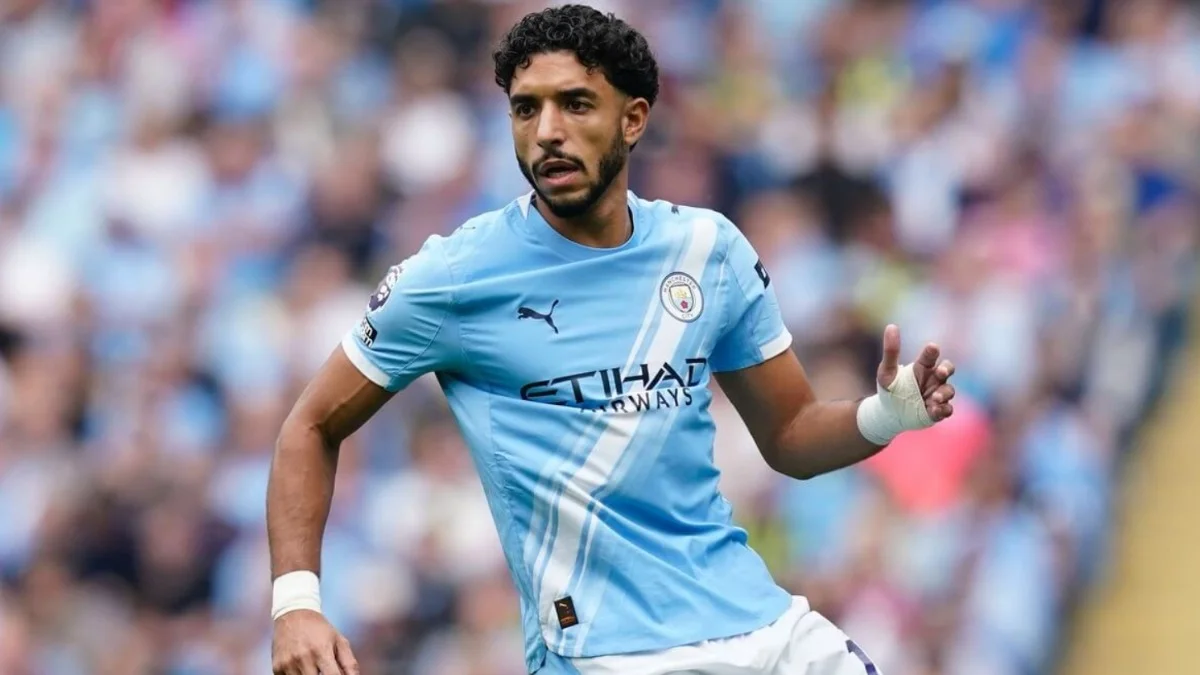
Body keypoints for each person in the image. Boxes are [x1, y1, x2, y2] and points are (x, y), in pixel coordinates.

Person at [266, 5, 956, 675]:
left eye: (575, 104)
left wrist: (884, 416)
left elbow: (791, 434)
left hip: (762, 630)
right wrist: (296, 604)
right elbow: (311, 424)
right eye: (526, 109)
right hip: (601, 653)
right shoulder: (454, 275)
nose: (547, 132)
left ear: (633, 119)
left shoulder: (706, 250)